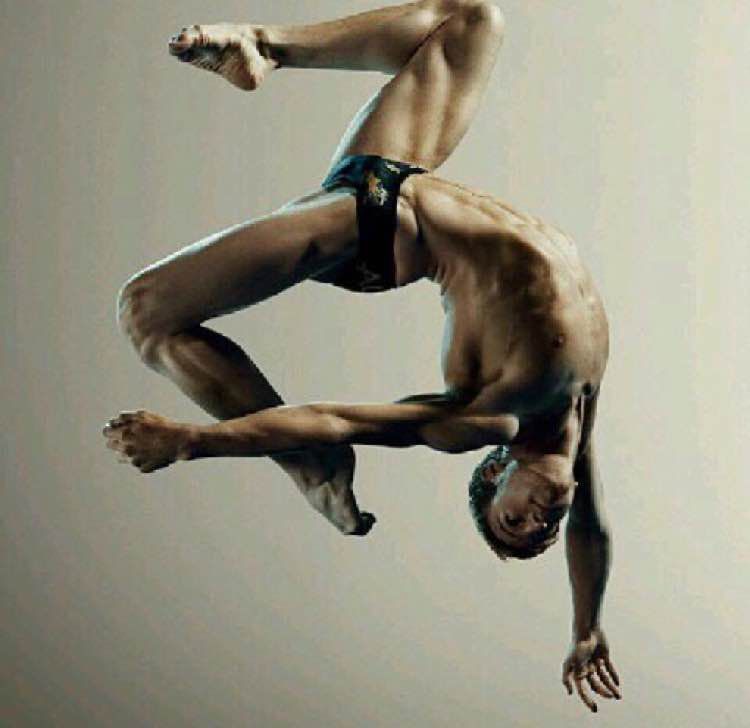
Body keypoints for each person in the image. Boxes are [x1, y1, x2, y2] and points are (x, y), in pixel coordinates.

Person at [102, 1, 621, 712]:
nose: (540, 521)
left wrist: (193, 441)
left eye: (513, 523)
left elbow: (336, 417)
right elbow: (591, 529)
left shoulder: (485, 420)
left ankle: (314, 471)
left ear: (494, 472)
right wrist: (586, 627)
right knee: (472, 19)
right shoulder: (575, 419)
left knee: (146, 312)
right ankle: (264, 46)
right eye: (543, 530)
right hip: (394, 178)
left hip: (376, 231)